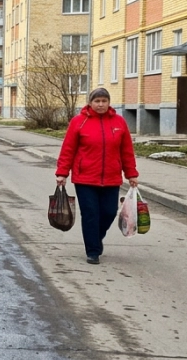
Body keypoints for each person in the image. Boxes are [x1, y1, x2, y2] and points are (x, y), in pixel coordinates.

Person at [55, 87, 139, 265]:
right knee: (90, 214)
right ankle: (93, 251)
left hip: (111, 178)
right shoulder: (79, 122)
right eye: (97, 101)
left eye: (104, 101)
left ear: (109, 103)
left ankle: (96, 237)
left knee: (109, 212)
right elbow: (68, 149)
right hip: (85, 178)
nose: (100, 104)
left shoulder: (119, 122)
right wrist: (62, 172)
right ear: (90, 103)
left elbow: (126, 151)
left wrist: (131, 173)